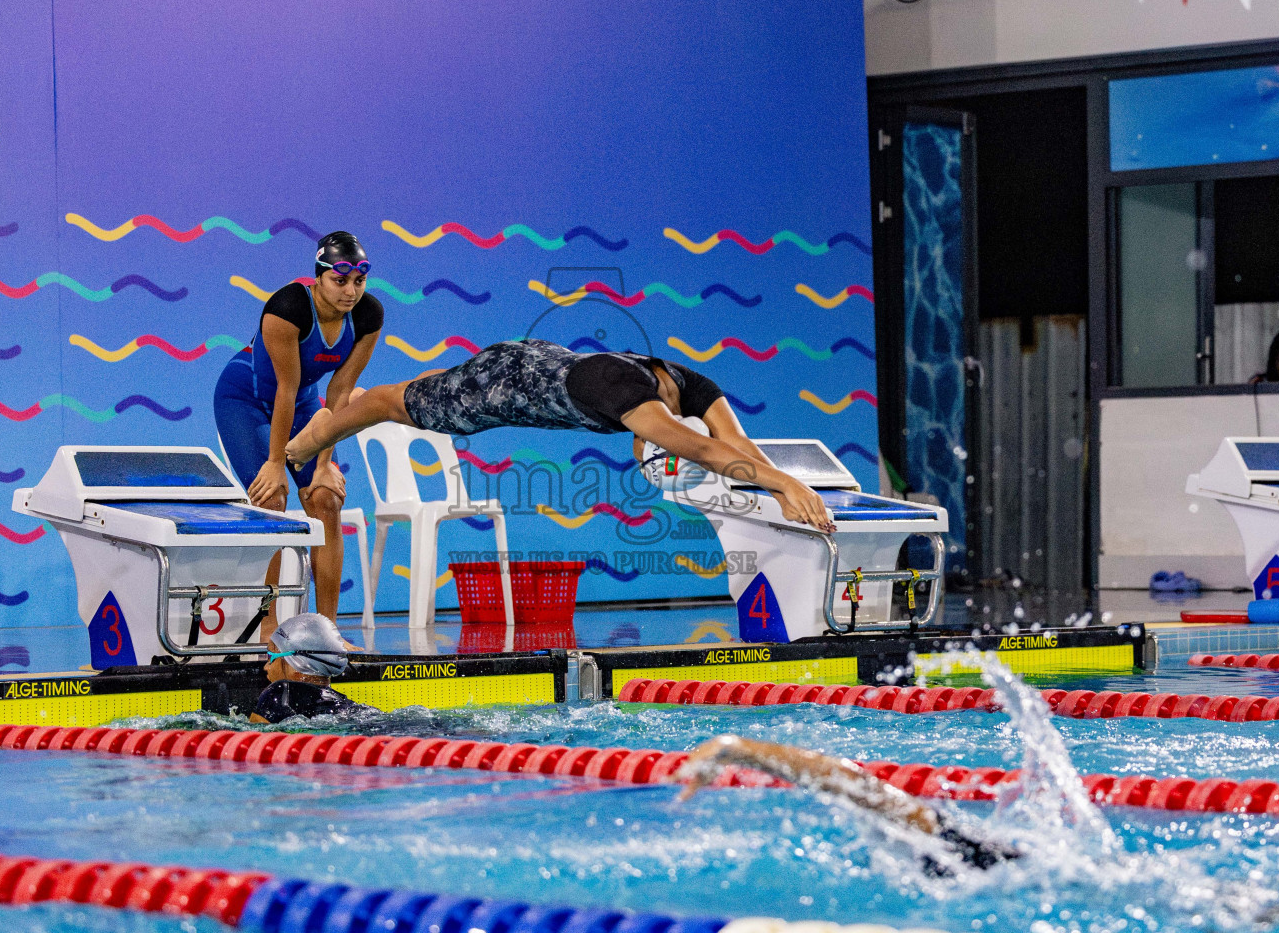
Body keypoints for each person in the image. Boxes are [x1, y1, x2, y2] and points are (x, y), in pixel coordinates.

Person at [283, 340, 836, 533]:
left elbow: (738, 447)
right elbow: (700, 448)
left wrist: (779, 490)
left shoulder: (689, 382)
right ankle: (310, 440)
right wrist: (786, 485)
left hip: (544, 359)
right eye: (654, 447)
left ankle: (330, 425)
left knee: (414, 394)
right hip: (506, 384)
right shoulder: (627, 394)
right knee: (388, 404)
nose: (651, 448)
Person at [213, 231, 383, 641]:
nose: (350, 291)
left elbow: (339, 394)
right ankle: (267, 625)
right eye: (339, 281)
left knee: (326, 500)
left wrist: (324, 465)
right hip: (245, 400)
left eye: (358, 281)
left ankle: (328, 630)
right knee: (272, 499)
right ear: (319, 278)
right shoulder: (287, 308)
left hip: (305, 404)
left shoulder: (367, 317)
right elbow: (283, 389)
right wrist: (276, 464)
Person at [677, 735, 1019, 874]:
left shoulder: (978, 861)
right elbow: (865, 791)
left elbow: (863, 791)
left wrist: (740, 750)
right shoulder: (992, 862)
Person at [250, 612, 377, 723]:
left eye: (271, 657)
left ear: (296, 664)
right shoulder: (345, 705)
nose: (266, 667)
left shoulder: (281, 691)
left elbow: (255, 742)